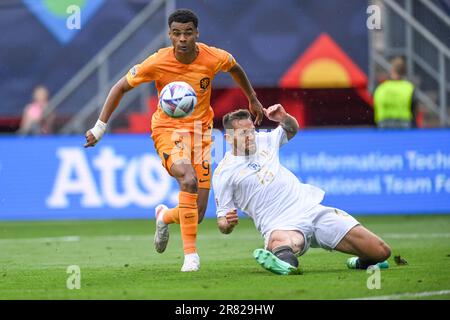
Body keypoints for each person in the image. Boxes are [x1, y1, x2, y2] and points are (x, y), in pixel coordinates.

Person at [84, 9, 264, 272]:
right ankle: (191, 256)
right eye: (177, 34)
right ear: (169, 35)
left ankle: (164, 216)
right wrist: (100, 128)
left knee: (198, 213)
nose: (182, 39)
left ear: (196, 33)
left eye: (188, 33)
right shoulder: (157, 62)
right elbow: (120, 87)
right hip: (168, 131)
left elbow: (234, 67)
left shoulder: (213, 57)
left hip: (201, 135)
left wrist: (252, 97)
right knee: (187, 179)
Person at [213, 105, 391, 275]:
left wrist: (284, 117)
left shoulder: (264, 140)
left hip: (312, 209)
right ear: (228, 137)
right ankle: (284, 262)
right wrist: (228, 224)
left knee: (381, 251)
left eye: (251, 130)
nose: (250, 136)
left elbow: (291, 129)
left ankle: (360, 262)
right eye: (244, 133)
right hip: (279, 224)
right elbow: (222, 222)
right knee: (282, 243)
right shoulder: (224, 173)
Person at [373, 56, 418, 129]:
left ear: (392, 70)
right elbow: (414, 109)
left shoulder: (381, 88)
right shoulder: (409, 88)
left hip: (383, 123)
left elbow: (375, 106)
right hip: (404, 123)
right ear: (404, 71)